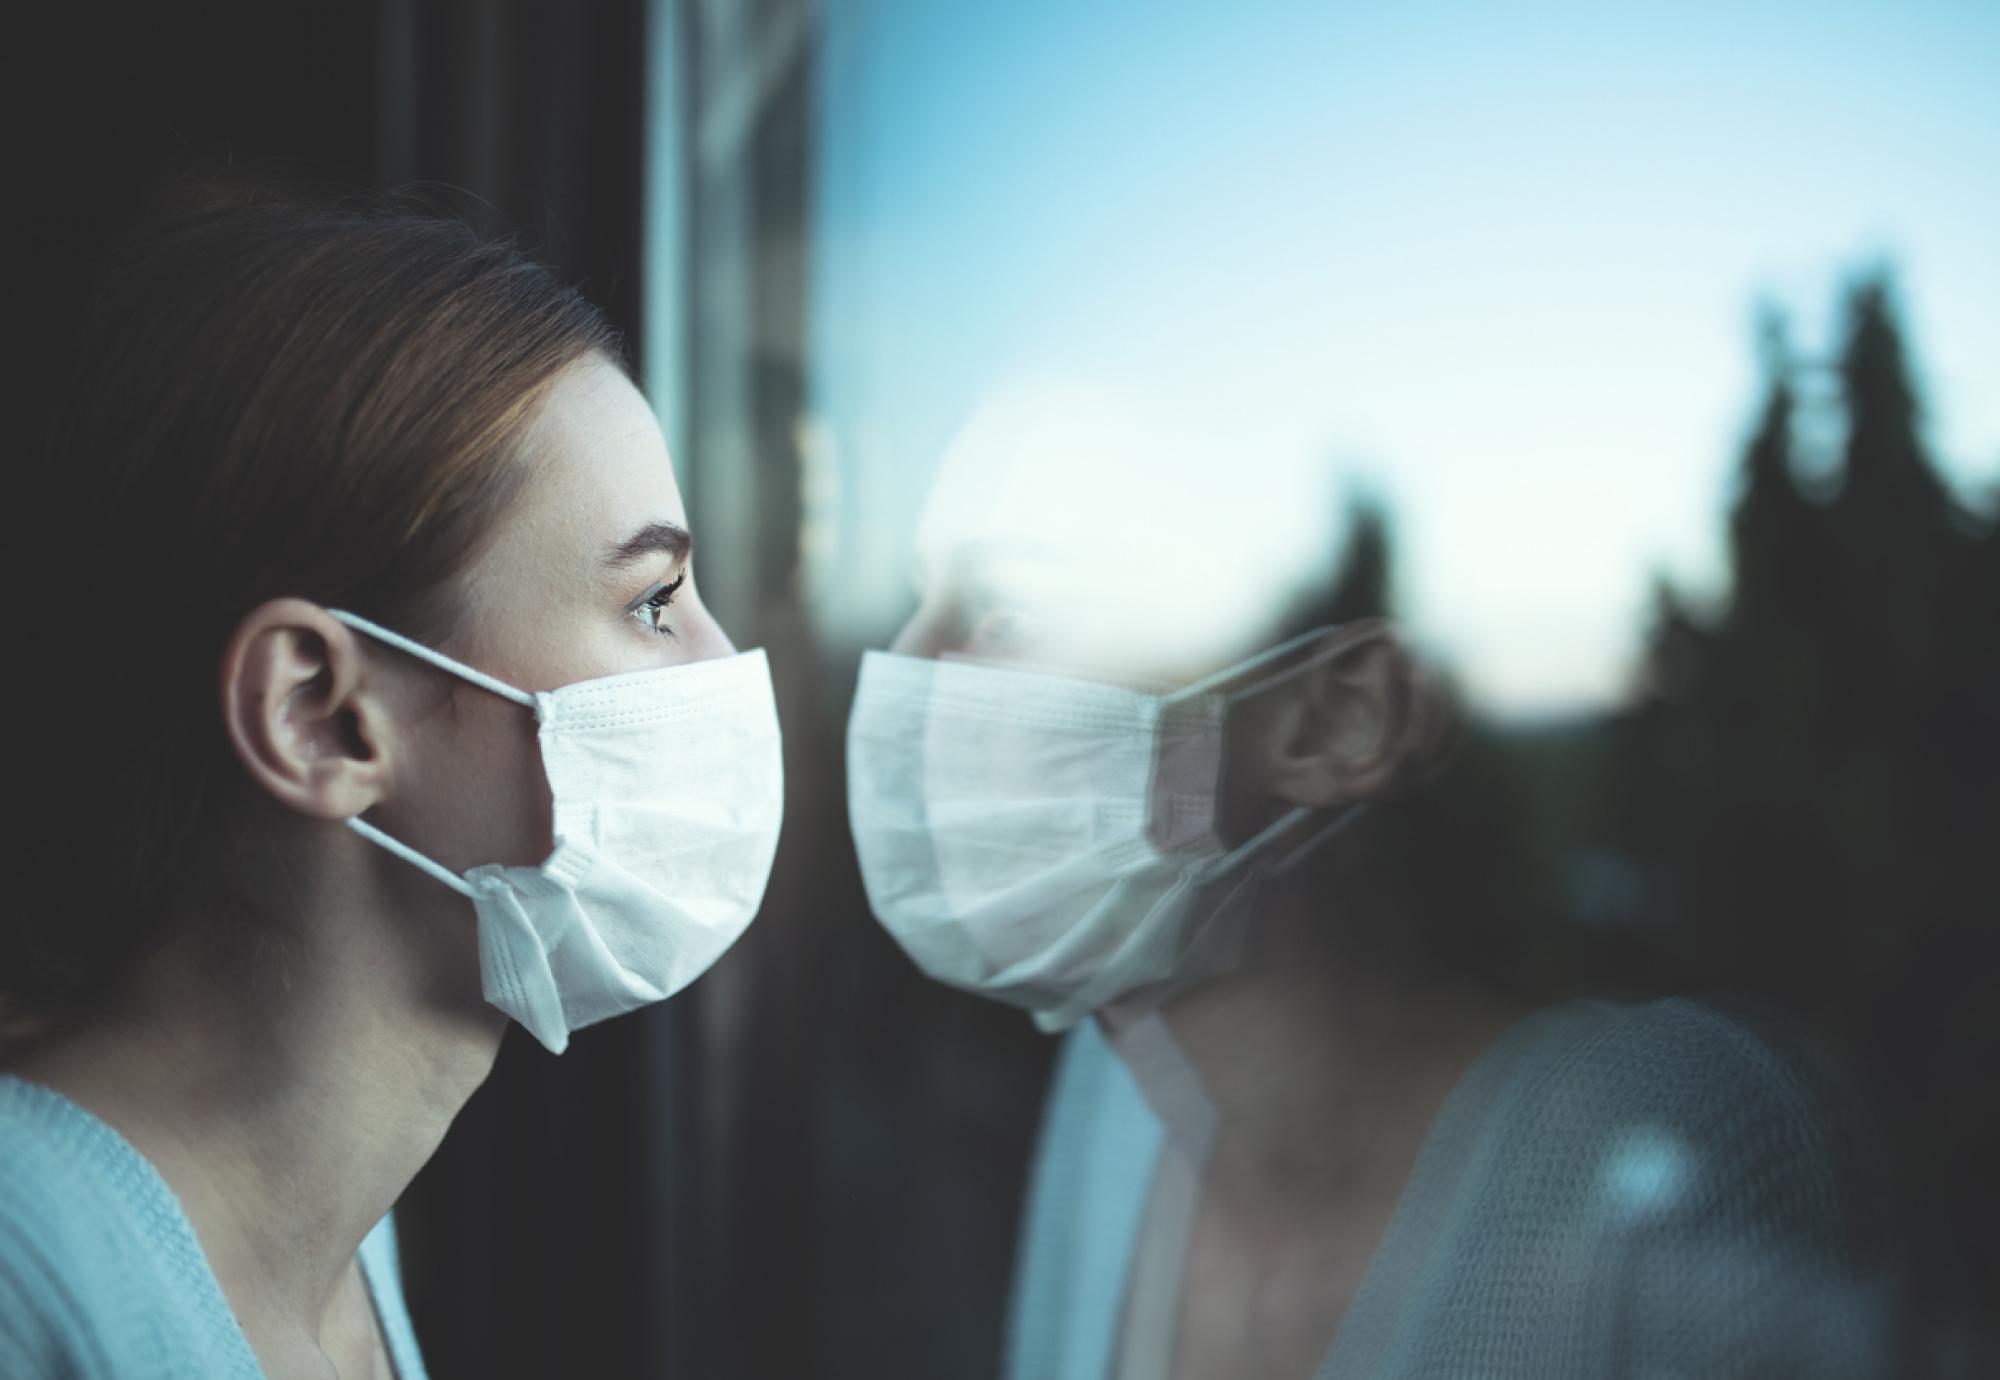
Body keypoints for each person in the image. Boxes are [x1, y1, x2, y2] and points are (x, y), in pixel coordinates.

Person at [845, 379, 1896, 1378]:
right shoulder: (1111, 1097)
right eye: (918, 600)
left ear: (1341, 721)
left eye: (1011, 611)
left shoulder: (1666, 1147)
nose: (903, 666)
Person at [0, 196, 783, 1379]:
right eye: (651, 603)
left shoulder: (342, 1240)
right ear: (316, 715)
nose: (722, 671)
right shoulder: (30, 1285)